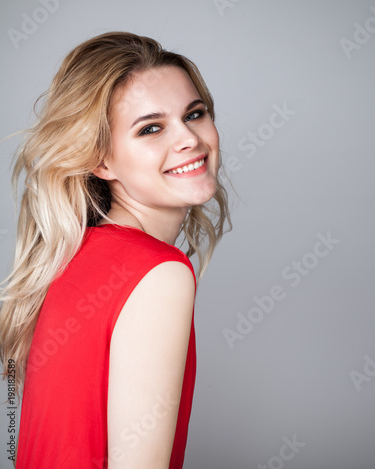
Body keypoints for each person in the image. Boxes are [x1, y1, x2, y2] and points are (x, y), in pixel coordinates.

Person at [0, 31, 231, 468]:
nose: (189, 139)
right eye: (151, 128)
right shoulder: (158, 273)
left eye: (195, 114)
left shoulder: (73, 257)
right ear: (100, 161)